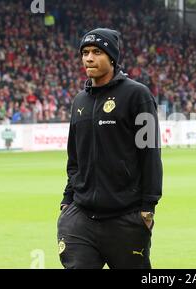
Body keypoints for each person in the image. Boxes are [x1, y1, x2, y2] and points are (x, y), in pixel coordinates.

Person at [57, 28, 163, 269]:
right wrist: (67, 201)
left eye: (96, 52)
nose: (89, 58)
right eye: (85, 52)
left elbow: (150, 153)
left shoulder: (137, 95)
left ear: (112, 57)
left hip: (125, 217)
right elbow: (74, 157)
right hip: (80, 218)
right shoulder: (79, 101)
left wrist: (148, 207)